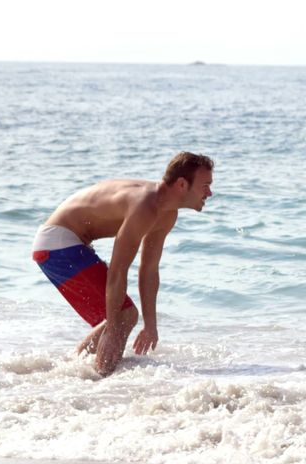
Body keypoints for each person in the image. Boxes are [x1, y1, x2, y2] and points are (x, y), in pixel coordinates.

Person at [31, 152, 215, 376]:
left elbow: (149, 270)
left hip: (65, 243)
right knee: (123, 316)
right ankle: (92, 379)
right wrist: (113, 326)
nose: (209, 193)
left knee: (121, 316)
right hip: (58, 243)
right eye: (205, 185)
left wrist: (150, 325)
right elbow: (118, 270)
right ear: (182, 184)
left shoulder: (166, 213)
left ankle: (75, 371)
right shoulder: (145, 205)